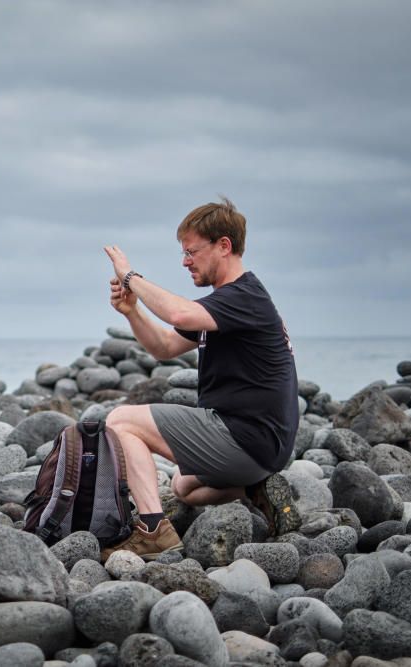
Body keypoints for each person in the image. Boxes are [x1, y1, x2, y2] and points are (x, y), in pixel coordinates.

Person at [100, 197, 301, 560]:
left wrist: (131, 277)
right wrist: (132, 312)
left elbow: (179, 312)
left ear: (224, 245)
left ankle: (152, 530)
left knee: (120, 421)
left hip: (245, 436)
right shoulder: (226, 305)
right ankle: (256, 488)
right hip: (261, 451)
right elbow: (164, 346)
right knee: (183, 488)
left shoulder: (245, 297)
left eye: (191, 251)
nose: (185, 261)